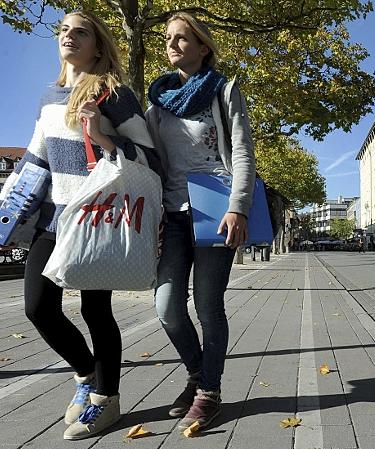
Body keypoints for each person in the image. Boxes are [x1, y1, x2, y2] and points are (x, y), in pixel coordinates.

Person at [0, 11, 156, 440]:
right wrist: (5, 210)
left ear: (98, 45)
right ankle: (86, 376)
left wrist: (103, 137)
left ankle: (107, 402)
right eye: (64, 30)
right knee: (37, 307)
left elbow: (148, 159)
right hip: (52, 219)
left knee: (94, 309)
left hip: (95, 218)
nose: (69, 36)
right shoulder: (49, 95)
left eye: (80, 31)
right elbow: (35, 160)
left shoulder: (114, 94)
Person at [145, 12, 256, 431]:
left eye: (181, 38)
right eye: (167, 38)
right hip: (172, 213)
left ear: (203, 46)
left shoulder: (224, 90)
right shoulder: (157, 102)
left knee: (208, 305)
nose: (171, 45)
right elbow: (153, 160)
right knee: (168, 306)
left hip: (215, 210)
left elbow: (242, 151)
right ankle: (197, 375)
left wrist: (238, 207)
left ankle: (209, 393)